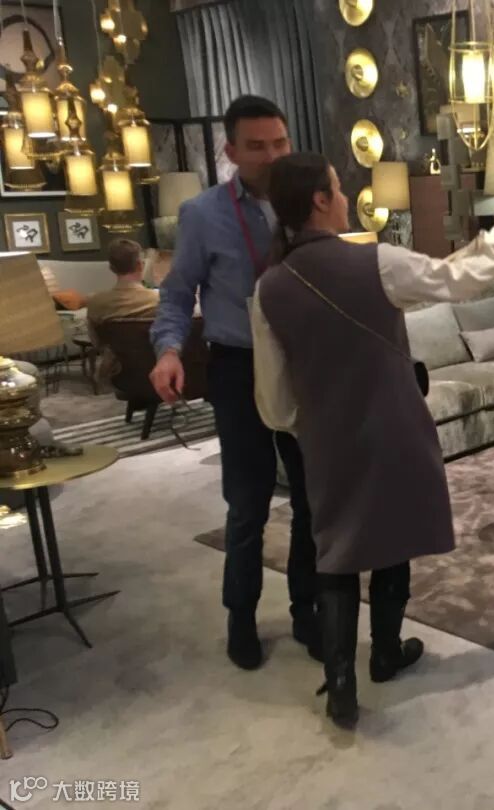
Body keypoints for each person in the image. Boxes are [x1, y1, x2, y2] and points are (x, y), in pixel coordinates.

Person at [251, 152, 494, 728]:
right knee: (393, 538)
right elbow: (457, 279)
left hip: (324, 440)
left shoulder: (268, 288)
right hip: (394, 426)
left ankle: (341, 681)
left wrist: (312, 424)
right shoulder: (375, 261)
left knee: (336, 550)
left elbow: (274, 400)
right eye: (337, 187)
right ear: (320, 200)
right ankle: (385, 652)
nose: (343, 197)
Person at [149, 96, 320, 672]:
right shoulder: (202, 214)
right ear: (230, 151)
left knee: (311, 498)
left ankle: (307, 610)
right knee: (248, 503)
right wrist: (168, 351)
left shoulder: (309, 203)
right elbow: (176, 294)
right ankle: (241, 617)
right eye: (256, 146)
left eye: (280, 142)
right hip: (238, 366)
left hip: (300, 365)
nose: (271, 155)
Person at [87, 239, 160, 385]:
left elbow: (97, 342)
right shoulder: (160, 299)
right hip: (160, 370)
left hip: (121, 376)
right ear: (140, 265)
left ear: (111, 268)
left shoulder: (96, 302)